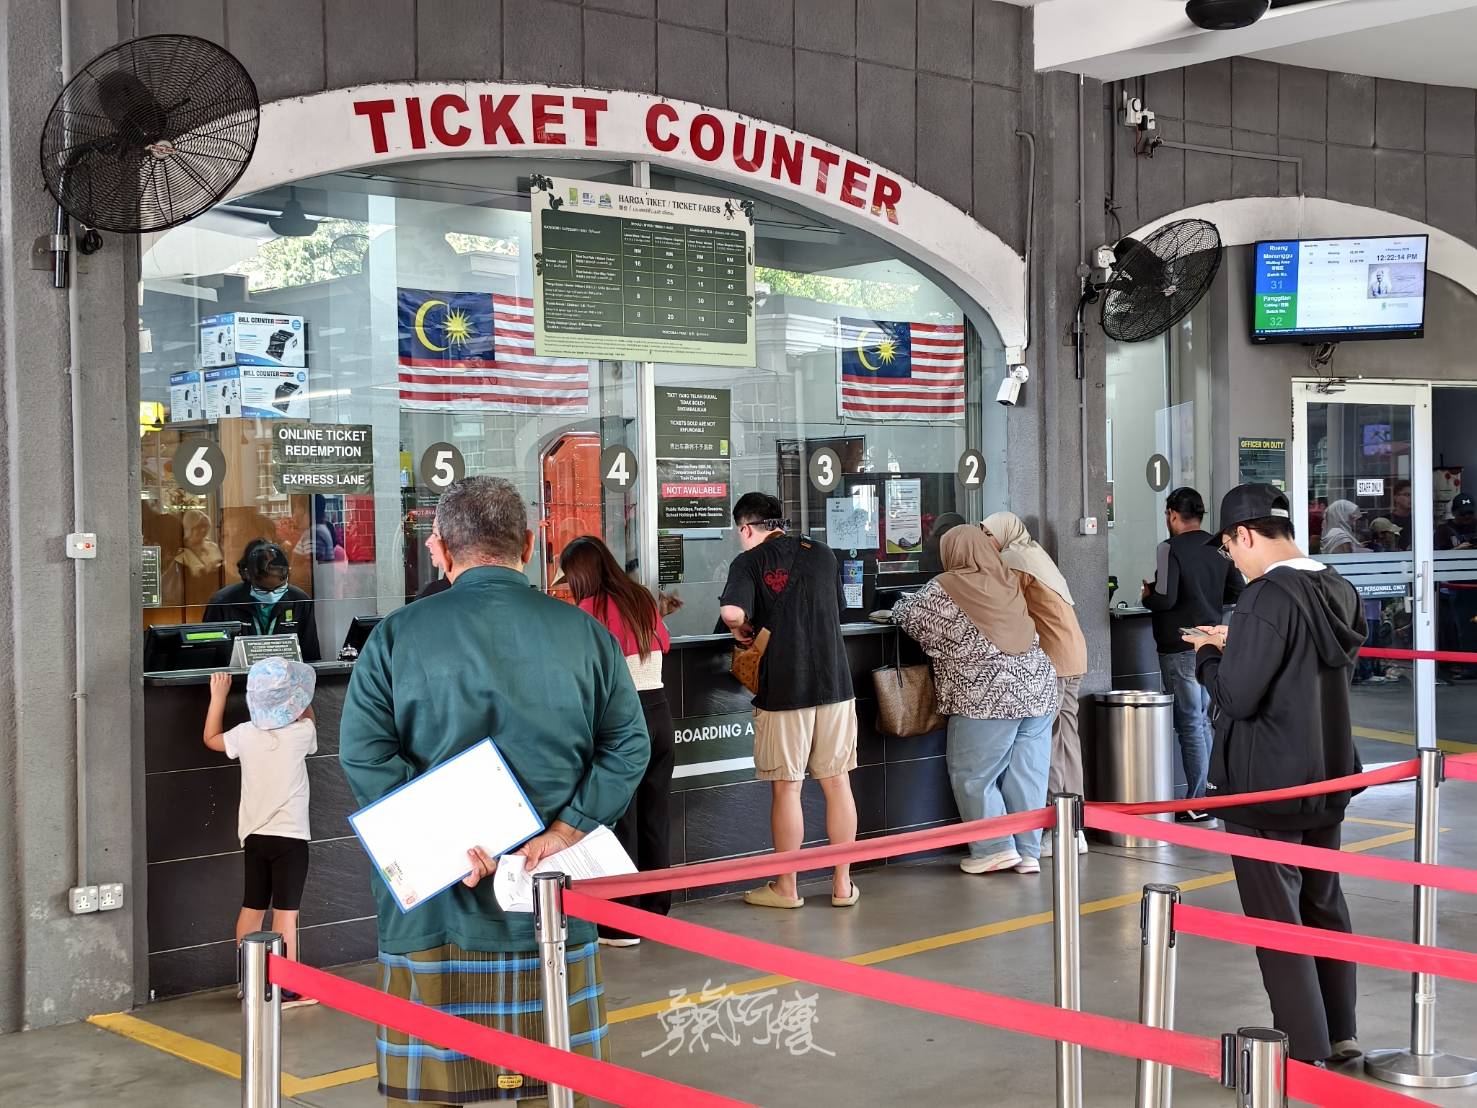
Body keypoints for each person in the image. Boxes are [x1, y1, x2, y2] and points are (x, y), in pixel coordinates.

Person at [339, 477, 648, 1105]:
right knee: (554, 1081)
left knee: (438, 1086)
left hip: (436, 905)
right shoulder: (586, 636)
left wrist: (454, 842)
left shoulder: (394, 638)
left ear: (439, 550)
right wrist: (565, 831)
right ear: (530, 546)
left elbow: (365, 754)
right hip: (551, 900)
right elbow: (628, 746)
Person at [1186, 483, 1364, 1067]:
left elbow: (1237, 697)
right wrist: (1240, 644)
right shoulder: (1337, 587)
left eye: (1230, 548)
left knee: (1278, 922)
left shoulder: (1266, 597)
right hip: (1327, 778)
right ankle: (1341, 1034)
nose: (1231, 561)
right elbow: (1305, 665)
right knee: (1324, 907)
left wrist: (1210, 655)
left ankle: (1302, 1048)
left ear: (1244, 534)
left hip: (1267, 784)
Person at [719, 492, 859, 910]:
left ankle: (786, 888)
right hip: (835, 683)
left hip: (784, 687)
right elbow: (837, 607)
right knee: (837, 783)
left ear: (746, 528)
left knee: (788, 788)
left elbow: (730, 613)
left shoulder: (748, 561)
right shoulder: (823, 553)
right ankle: (842, 886)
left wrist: (743, 628)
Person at [891, 526, 1059, 875]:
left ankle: (994, 848)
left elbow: (910, 617)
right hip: (1038, 690)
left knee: (974, 774)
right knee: (1026, 774)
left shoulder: (947, 585)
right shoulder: (1007, 580)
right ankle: (1027, 850)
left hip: (988, 696)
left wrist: (899, 603)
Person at [558, 535, 675, 947]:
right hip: (660, 712)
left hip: (623, 719)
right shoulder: (641, 597)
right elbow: (665, 643)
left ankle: (622, 924)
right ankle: (657, 910)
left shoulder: (588, 611)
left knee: (620, 820)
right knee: (654, 816)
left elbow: (582, 670)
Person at [202, 656, 318, 1010]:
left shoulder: (244, 735)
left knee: (252, 908)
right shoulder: (302, 734)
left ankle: (249, 981)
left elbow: (210, 739)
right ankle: (286, 988)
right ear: (294, 703)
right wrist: (300, 694)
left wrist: (218, 696)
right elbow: (309, 715)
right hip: (291, 839)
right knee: (286, 915)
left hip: (254, 837)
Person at [981, 512, 1088, 856]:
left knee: (1048, 746)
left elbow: (1000, 604)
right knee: (1066, 742)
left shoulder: (1013, 561)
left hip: (1054, 660)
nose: (985, 540)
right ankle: (1074, 828)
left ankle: (1057, 830)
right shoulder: (1034, 554)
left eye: (988, 533)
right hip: (1074, 655)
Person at [1138, 488, 1245, 821]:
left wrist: (1147, 595)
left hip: (1178, 643)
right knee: (1205, 722)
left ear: (1172, 514)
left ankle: (1197, 800)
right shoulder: (1217, 546)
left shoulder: (1168, 548)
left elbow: (1166, 599)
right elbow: (1237, 591)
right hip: (1209, 643)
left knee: (1189, 724)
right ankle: (1212, 794)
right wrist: (1208, 609)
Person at [203, 540, 321, 661]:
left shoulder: (300, 601)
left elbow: (310, 653)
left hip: (285, 677)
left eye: (278, 590)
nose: (271, 596)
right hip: (236, 677)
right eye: (263, 590)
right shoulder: (223, 603)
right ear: (248, 576)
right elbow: (208, 656)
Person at [166, 508, 224, 608]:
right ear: (189, 528)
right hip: (192, 603)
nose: (203, 530)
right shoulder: (180, 553)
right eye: (198, 527)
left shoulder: (213, 547)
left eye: (205, 526)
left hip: (217, 599)